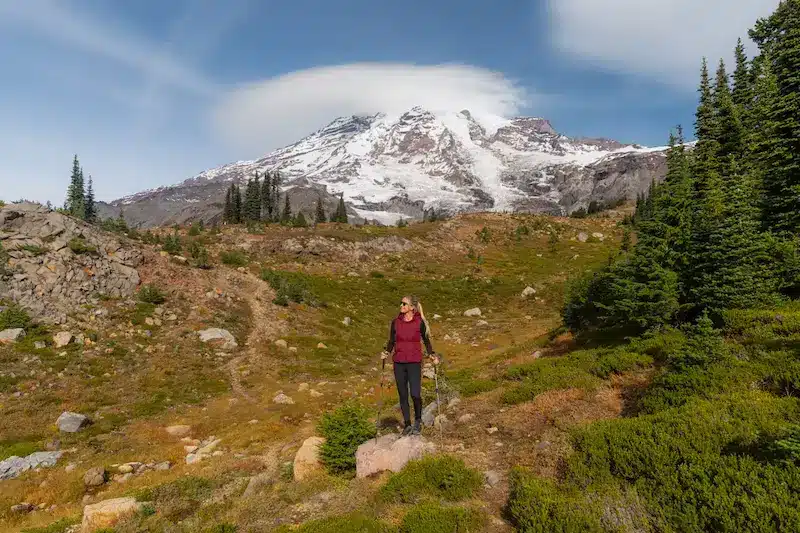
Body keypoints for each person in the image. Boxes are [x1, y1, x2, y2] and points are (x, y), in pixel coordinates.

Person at [381, 295, 439, 436]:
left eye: (404, 304)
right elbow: (391, 341)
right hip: (399, 362)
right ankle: (407, 424)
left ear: (412, 307)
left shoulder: (420, 322)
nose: (401, 306)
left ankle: (418, 420)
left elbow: (426, 341)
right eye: (400, 303)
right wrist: (386, 352)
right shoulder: (395, 322)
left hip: (414, 362)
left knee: (415, 393)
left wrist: (432, 354)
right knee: (402, 394)